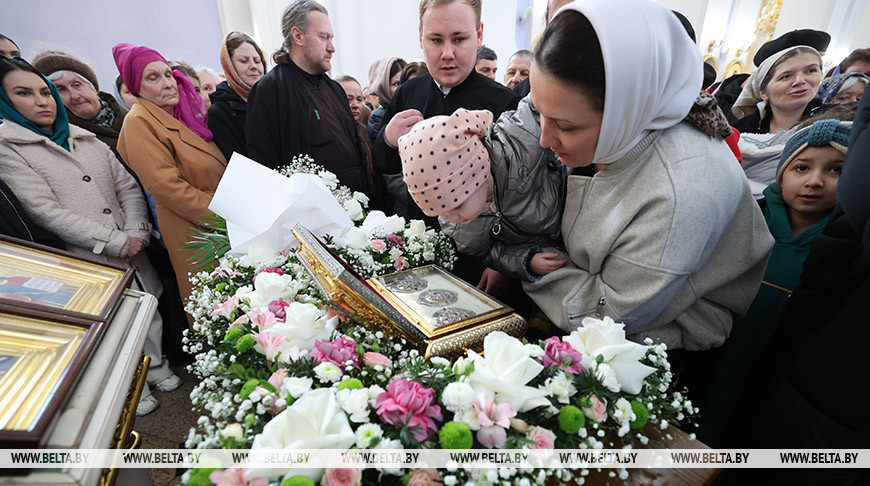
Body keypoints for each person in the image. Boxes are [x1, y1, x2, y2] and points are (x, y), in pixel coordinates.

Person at [524, 0, 773, 353]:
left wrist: (521, 260)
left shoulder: (681, 192)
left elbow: (607, 314)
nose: (544, 140)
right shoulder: (622, 133)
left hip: (656, 357)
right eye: (540, 113)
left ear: (628, 107)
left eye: (566, 126)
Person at [0, 56, 182, 415]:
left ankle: (158, 368)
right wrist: (115, 241)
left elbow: (127, 187)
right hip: (89, 256)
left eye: (44, 92)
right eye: (24, 93)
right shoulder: (10, 149)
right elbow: (44, 211)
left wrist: (136, 229)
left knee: (148, 310)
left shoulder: (86, 138)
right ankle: (131, 388)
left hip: (133, 245)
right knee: (112, 327)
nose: (42, 101)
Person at [700, 119, 851, 446]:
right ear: (781, 173)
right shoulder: (747, 218)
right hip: (712, 358)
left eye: (836, 170)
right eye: (801, 167)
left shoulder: (846, 249)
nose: (815, 181)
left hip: (774, 380)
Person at [373, 0, 521, 222]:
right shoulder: (408, 93)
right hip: (420, 236)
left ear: (479, 35)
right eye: (436, 40)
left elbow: (519, 188)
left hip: (484, 245)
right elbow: (384, 165)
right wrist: (387, 139)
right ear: (421, 36)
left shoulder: (506, 103)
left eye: (459, 39)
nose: (447, 53)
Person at [113, 43, 227, 309]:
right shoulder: (139, 121)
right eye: (153, 77)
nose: (167, 83)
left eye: (167, 74)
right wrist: (227, 217)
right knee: (216, 310)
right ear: (134, 87)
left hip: (213, 223)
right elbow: (168, 187)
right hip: (197, 229)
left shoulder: (176, 116)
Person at [400, 105, 567, 283]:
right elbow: (491, 254)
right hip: (555, 257)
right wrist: (526, 260)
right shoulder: (458, 229)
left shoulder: (517, 143)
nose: (450, 217)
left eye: (456, 205)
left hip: (583, 213)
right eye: (439, 211)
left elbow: (540, 100)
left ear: (475, 174)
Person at [245, 0, 371, 196]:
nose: (332, 48)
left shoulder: (335, 88)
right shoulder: (269, 90)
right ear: (298, 36)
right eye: (323, 37)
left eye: (331, 38)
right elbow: (265, 165)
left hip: (356, 207)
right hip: (312, 214)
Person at [33, 50, 129, 160]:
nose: (75, 96)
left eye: (77, 85)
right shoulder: (66, 139)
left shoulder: (133, 116)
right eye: (61, 89)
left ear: (92, 87)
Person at [731, 30, 829, 134]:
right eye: (786, 76)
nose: (800, 81)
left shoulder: (836, 124)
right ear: (763, 92)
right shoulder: (742, 131)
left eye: (811, 71)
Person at [208, 31, 267, 161]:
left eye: (257, 61)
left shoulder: (273, 100)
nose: (253, 66)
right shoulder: (219, 112)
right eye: (244, 61)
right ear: (229, 66)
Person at [366, 57, 407, 141]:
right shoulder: (378, 116)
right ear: (384, 87)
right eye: (396, 84)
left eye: (405, 82)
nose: (402, 87)